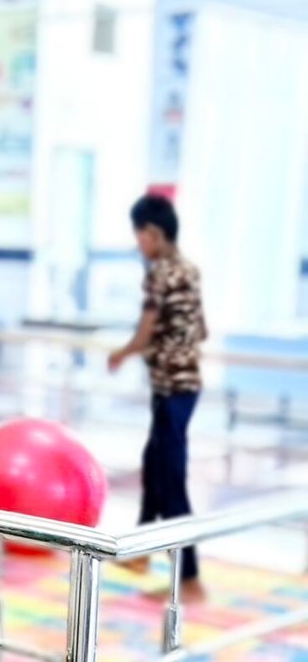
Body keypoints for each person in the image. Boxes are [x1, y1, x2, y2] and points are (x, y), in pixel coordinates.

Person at [109, 192, 207, 597]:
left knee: (171, 480)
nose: (138, 245)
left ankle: (189, 578)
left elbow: (145, 332)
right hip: (184, 385)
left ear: (153, 232)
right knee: (154, 466)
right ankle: (141, 551)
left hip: (172, 388)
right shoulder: (189, 269)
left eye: (139, 236)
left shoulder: (160, 274)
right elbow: (202, 330)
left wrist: (122, 353)